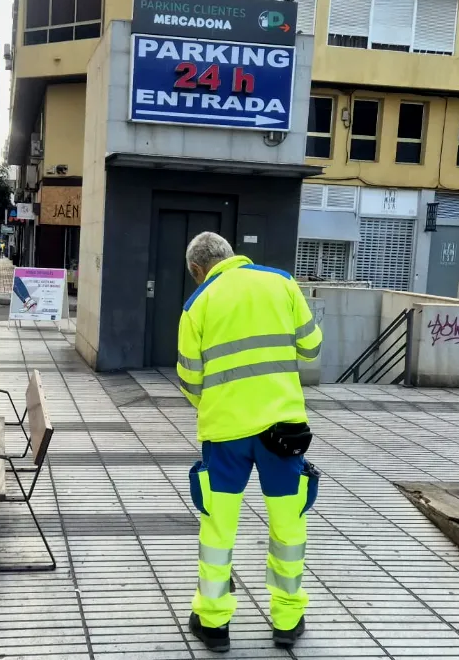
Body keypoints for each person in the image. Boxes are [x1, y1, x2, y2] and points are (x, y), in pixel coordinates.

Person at [176, 232, 323, 652]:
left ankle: (214, 622)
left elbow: (190, 381)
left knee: (219, 528)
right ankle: (287, 619)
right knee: (289, 525)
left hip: (225, 435)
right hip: (282, 432)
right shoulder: (281, 282)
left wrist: (223, 400)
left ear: (198, 271)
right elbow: (312, 348)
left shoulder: (197, 304)